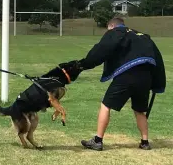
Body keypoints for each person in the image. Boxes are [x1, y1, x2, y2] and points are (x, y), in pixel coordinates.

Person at [56, 17, 165, 151]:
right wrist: (157, 83)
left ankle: (97, 140)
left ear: (112, 26)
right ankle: (145, 142)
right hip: (146, 77)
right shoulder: (142, 36)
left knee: (106, 105)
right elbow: (158, 60)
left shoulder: (116, 32)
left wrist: (84, 64)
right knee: (140, 110)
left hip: (127, 74)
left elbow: (102, 50)